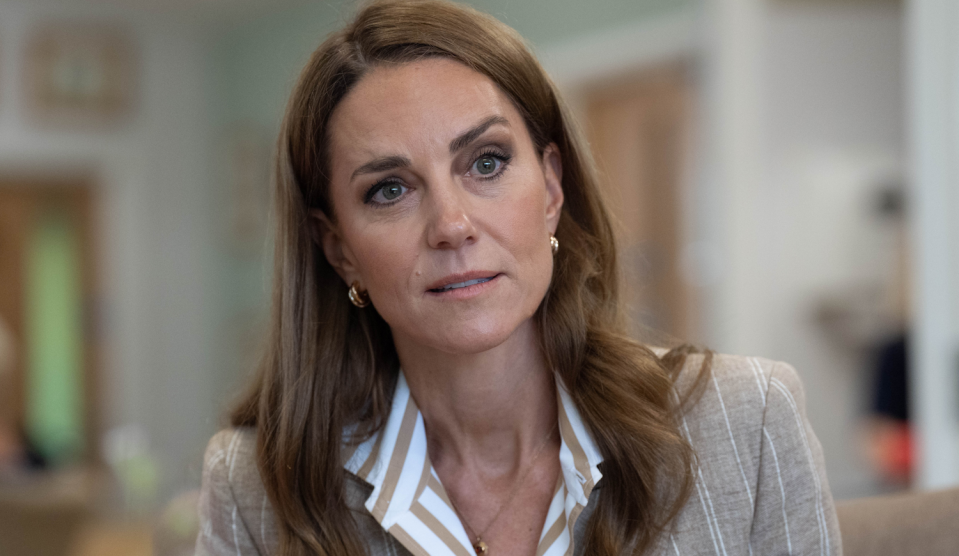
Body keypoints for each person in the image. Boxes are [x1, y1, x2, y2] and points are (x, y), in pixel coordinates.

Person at [195, 1, 841, 555]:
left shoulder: (747, 421)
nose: (452, 225)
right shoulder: (253, 487)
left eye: (486, 162)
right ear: (339, 250)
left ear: (552, 189)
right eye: (390, 189)